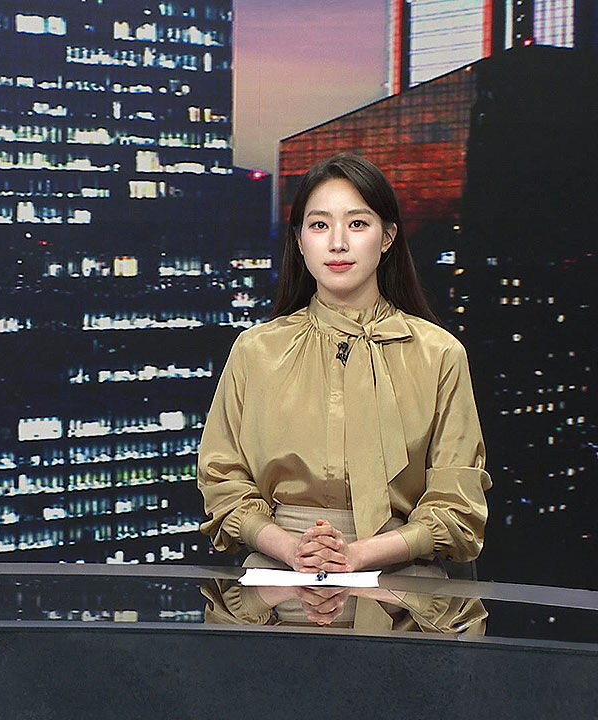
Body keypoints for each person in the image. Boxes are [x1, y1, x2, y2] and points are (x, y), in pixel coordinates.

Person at [197, 153, 490, 580]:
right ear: (299, 240)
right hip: (278, 577)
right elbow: (222, 482)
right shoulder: (255, 351)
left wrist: (358, 554)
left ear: (387, 237)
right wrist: (293, 548)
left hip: (403, 582)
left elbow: (457, 505)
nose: (337, 243)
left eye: (357, 224)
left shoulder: (439, 354)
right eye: (319, 225)